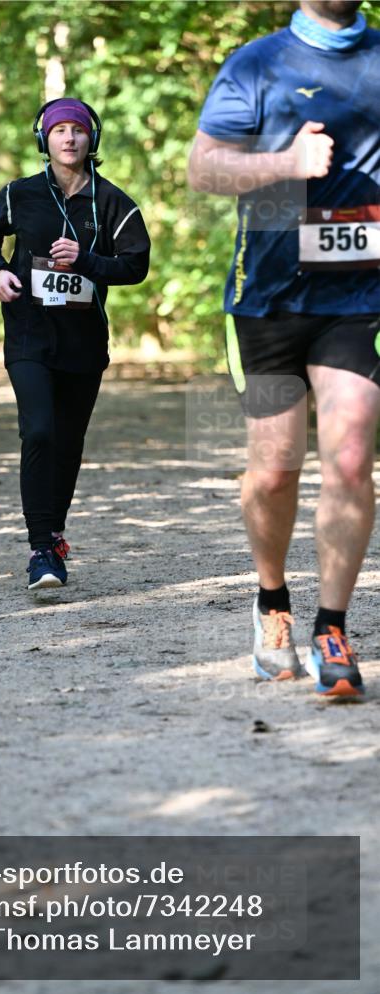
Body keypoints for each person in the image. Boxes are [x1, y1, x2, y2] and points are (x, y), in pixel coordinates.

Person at [188, 0, 379, 698]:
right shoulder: (257, 64)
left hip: (359, 301)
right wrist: (286, 163)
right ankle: (272, 603)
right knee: (273, 471)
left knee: (352, 453)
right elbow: (204, 169)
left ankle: (332, 627)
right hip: (266, 303)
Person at [0, 98, 150, 590]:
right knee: (40, 432)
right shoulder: (19, 194)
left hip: (83, 342)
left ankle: (54, 536)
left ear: (91, 139)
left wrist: (88, 260)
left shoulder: (115, 202)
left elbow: (136, 266)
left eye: (77, 130)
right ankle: (40, 551)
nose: (69, 138)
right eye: (59, 131)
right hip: (29, 333)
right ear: (44, 140)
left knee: (68, 443)